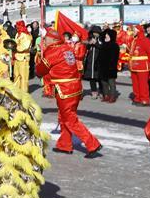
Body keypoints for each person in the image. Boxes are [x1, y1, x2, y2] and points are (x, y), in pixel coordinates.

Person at [35, 28, 101, 158]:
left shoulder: (53, 51)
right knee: (64, 116)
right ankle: (64, 144)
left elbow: (41, 70)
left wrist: (38, 66)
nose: (44, 40)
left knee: (70, 119)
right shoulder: (66, 48)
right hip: (75, 86)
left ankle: (92, 143)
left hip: (65, 88)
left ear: (53, 40)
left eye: (46, 38)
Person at [129, 26, 150, 106]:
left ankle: (145, 100)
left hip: (143, 66)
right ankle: (137, 98)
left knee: (143, 84)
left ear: (139, 31)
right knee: (135, 83)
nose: (133, 31)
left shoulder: (145, 40)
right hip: (134, 66)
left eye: (134, 30)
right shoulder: (134, 40)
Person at [98, 28, 120, 102]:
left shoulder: (114, 45)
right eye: (105, 35)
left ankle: (112, 96)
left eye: (107, 35)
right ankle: (106, 95)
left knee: (111, 83)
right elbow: (99, 56)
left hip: (111, 67)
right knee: (104, 83)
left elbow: (114, 58)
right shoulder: (103, 45)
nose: (106, 37)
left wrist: (111, 66)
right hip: (102, 67)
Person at [82, 27, 102, 99]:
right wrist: (89, 44)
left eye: (97, 32)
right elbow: (86, 48)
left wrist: (96, 43)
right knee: (92, 78)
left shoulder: (101, 39)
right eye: (94, 32)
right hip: (90, 61)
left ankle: (101, 91)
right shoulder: (89, 39)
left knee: (99, 78)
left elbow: (102, 47)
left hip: (98, 61)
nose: (95, 34)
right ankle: (94, 92)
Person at [12, 21, 32, 94]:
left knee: (23, 76)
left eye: (17, 26)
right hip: (17, 57)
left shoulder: (26, 35)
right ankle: (16, 91)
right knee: (16, 75)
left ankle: (24, 92)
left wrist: (16, 48)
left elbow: (25, 46)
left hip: (23, 58)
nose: (16, 28)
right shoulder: (17, 34)